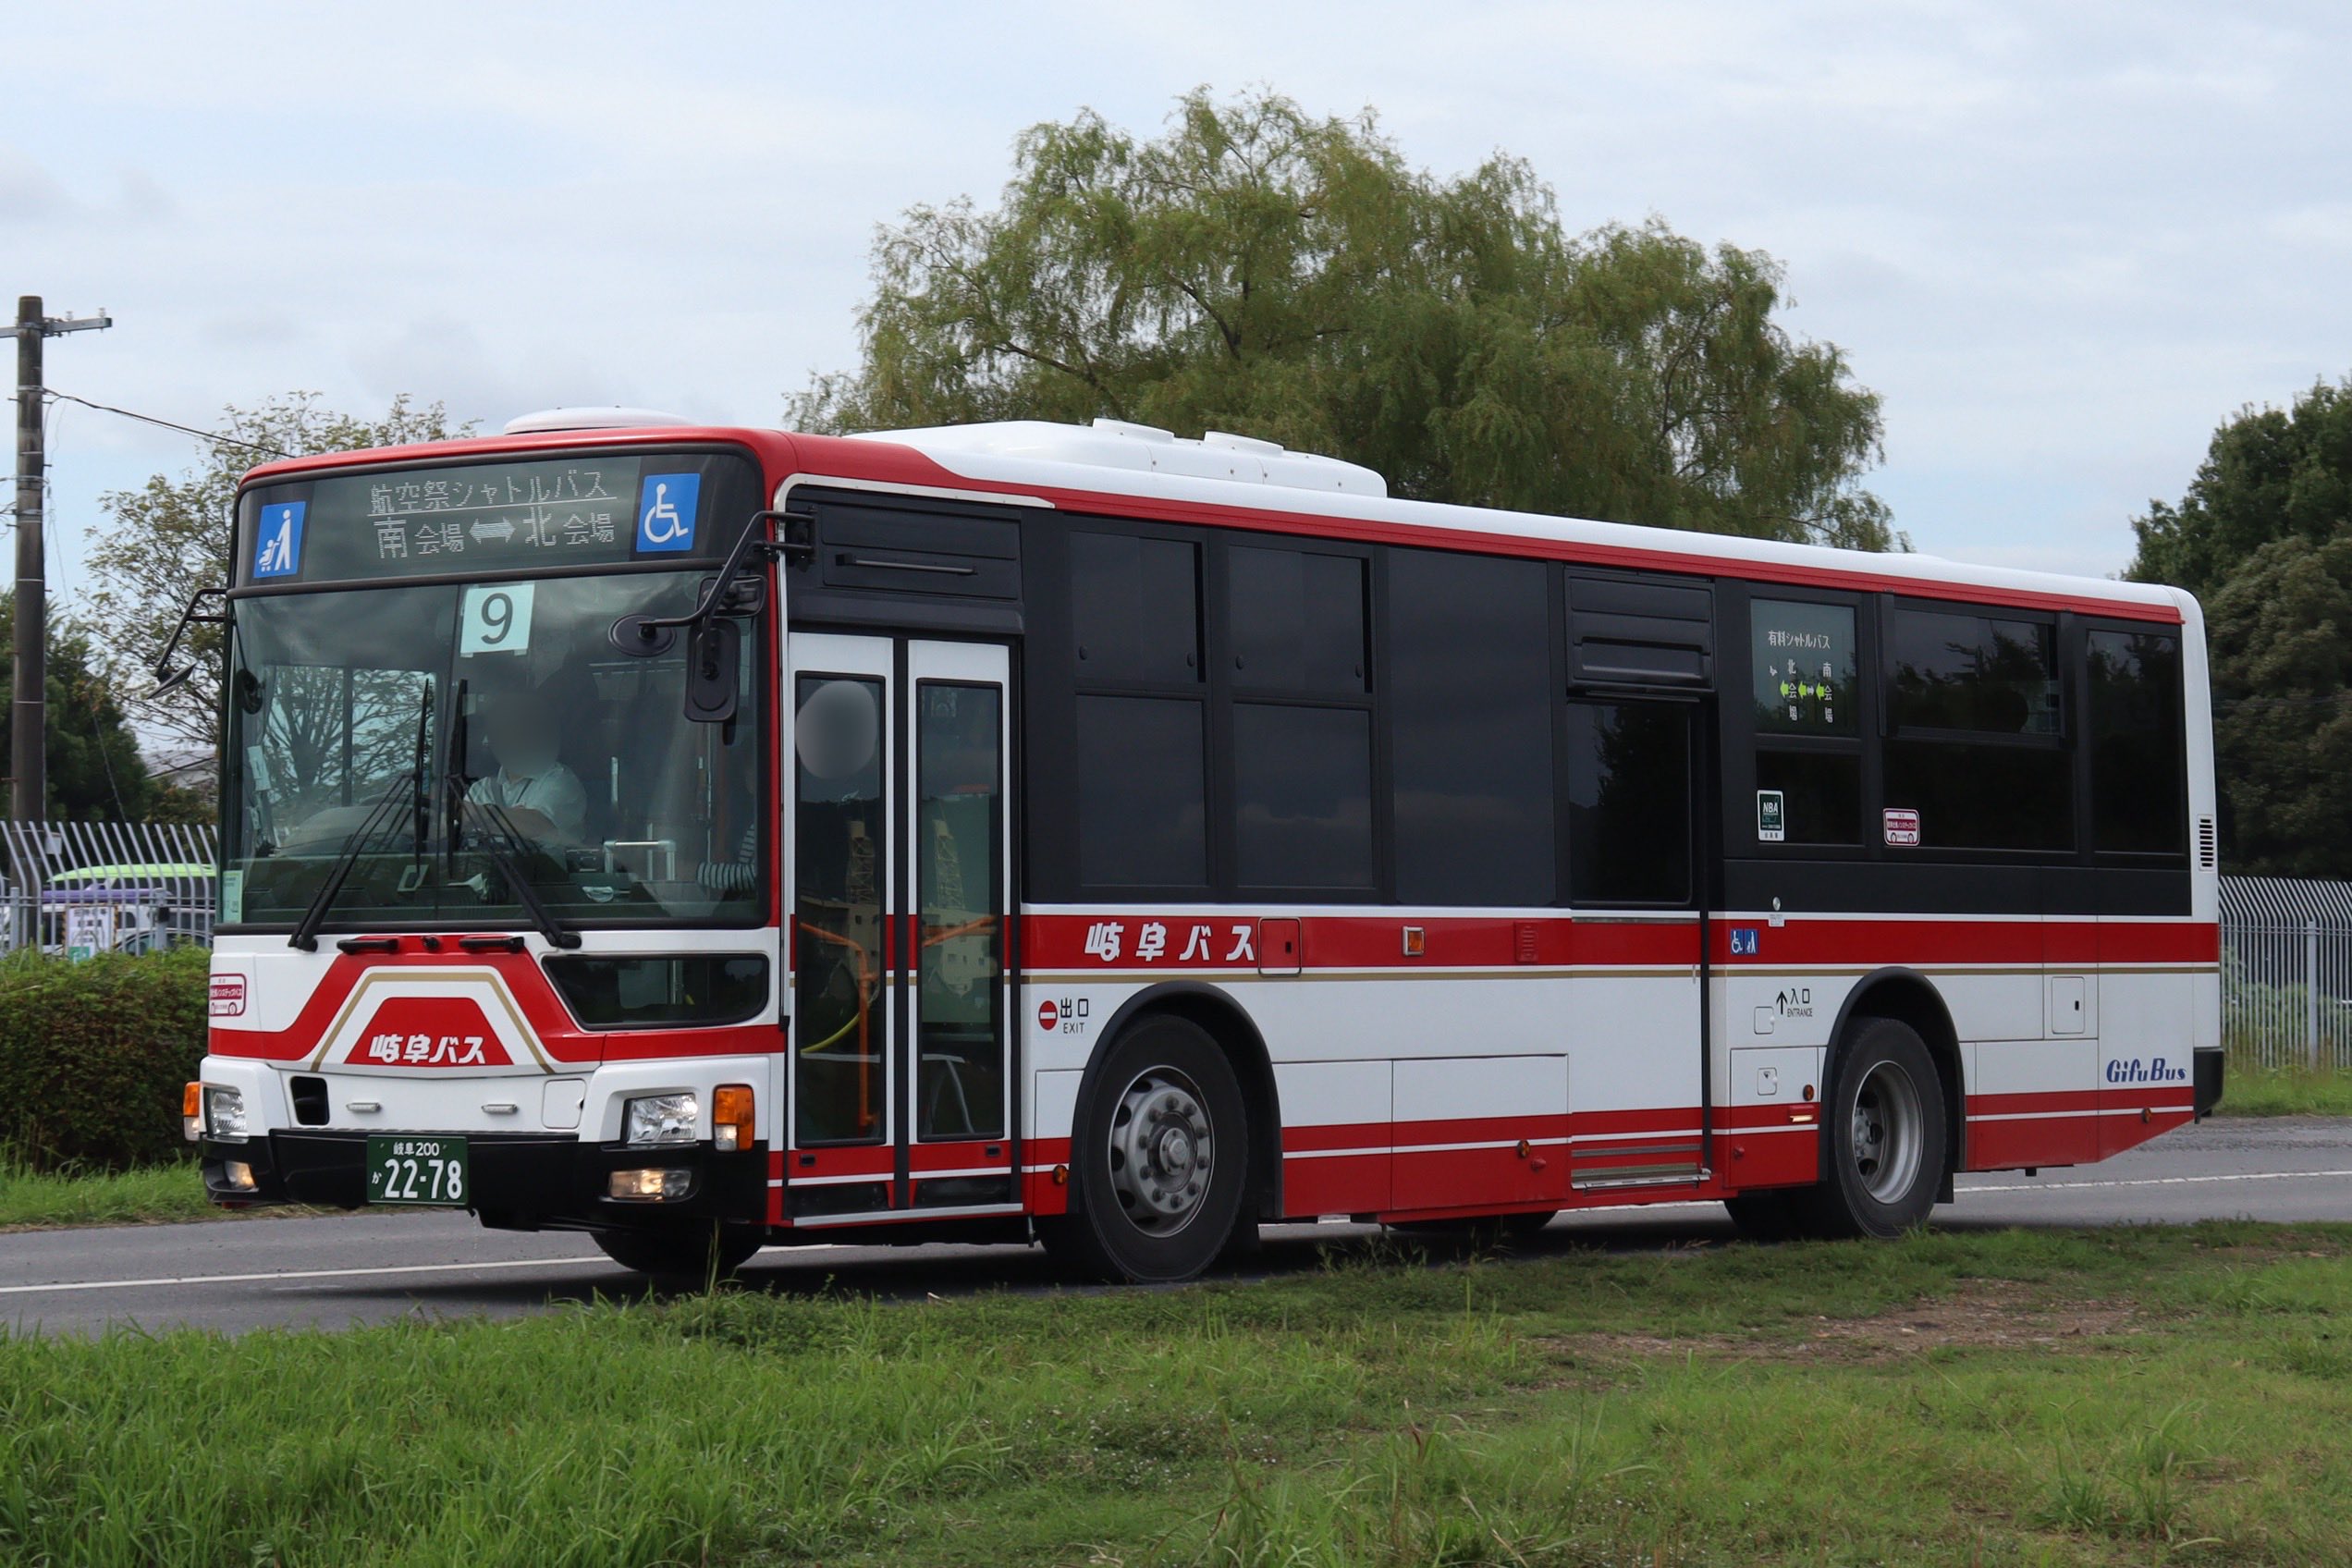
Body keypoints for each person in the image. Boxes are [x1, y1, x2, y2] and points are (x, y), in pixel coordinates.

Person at [465, 694, 587, 841]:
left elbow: (539, 826)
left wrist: (481, 814)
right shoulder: (481, 789)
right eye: (502, 731)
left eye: (518, 728)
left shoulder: (560, 781)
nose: (511, 737)